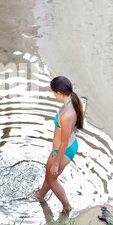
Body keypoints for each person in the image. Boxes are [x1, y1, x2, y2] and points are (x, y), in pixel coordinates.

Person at [36, 76, 84, 213]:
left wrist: (56, 162)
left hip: (62, 150)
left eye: (53, 92)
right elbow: (74, 127)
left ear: (58, 92)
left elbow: (63, 143)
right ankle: (40, 196)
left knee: (52, 179)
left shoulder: (66, 115)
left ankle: (67, 207)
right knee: (49, 176)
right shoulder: (73, 101)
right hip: (70, 144)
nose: (53, 94)